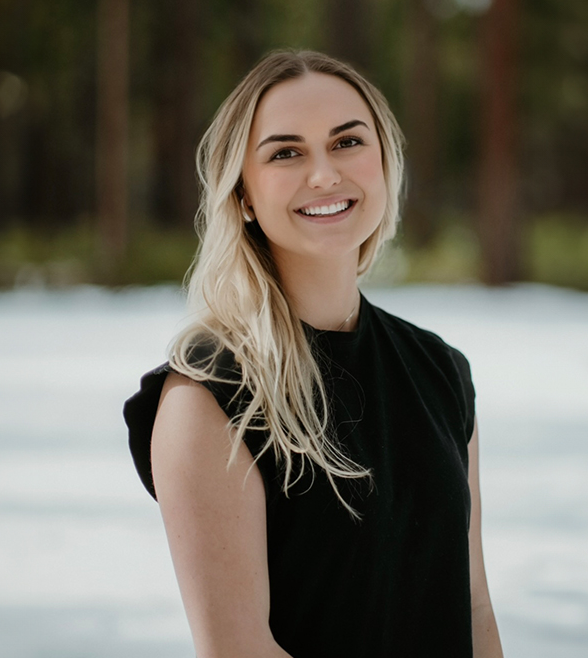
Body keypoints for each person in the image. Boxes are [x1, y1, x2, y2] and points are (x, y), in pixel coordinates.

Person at [124, 49, 503, 658]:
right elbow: (240, 649)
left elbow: (474, 608)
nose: (324, 174)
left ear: (384, 162)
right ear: (243, 194)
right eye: (286, 152)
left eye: (348, 142)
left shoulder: (440, 371)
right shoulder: (209, 395)